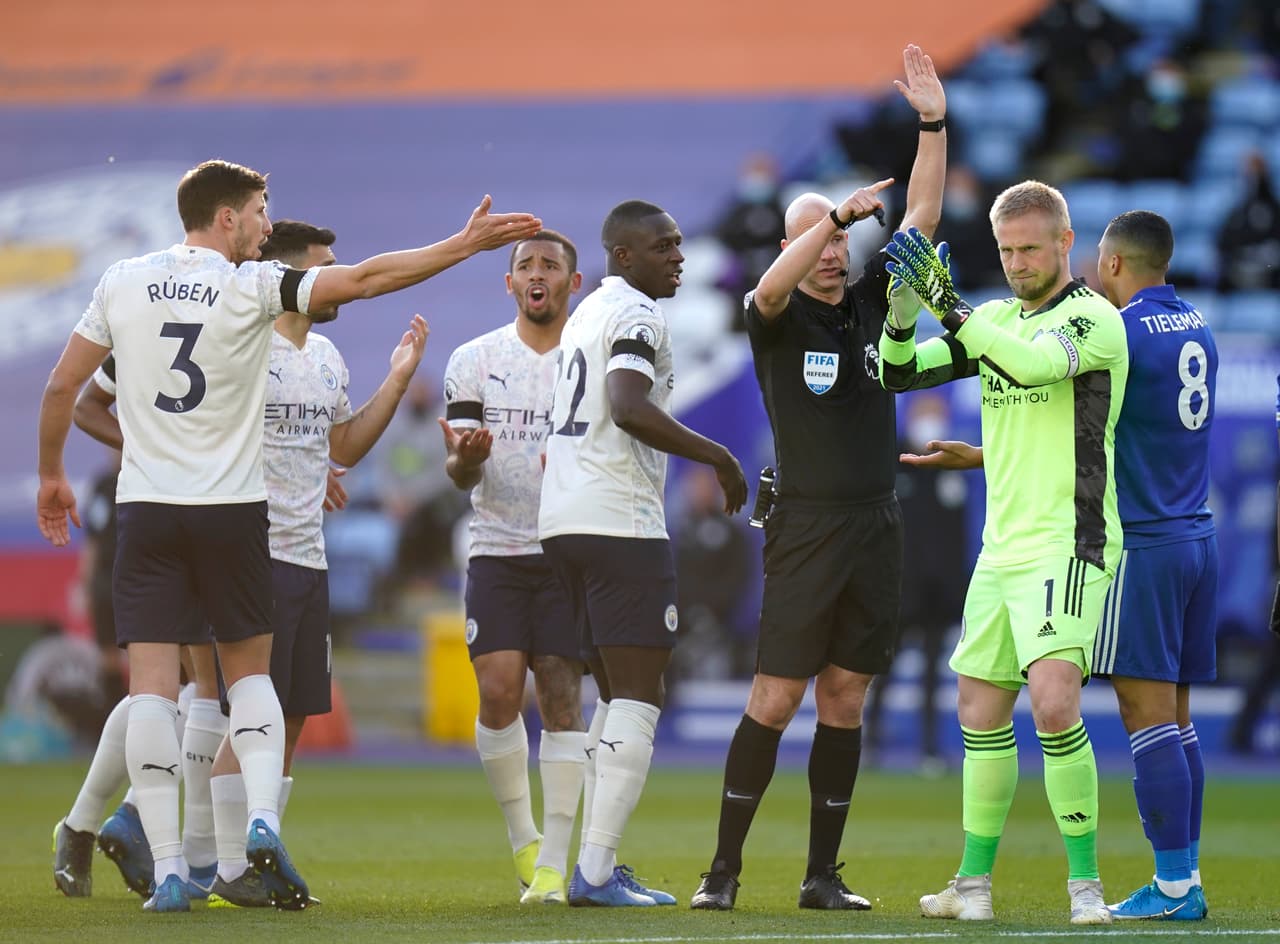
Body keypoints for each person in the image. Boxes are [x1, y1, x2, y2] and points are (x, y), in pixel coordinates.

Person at [35, 158, 539, 913]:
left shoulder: (123, 279)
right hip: (235, 515)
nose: (267, 223)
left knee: (160, 690)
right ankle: (231, 838)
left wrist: (54, 475)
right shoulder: (251, 292)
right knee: (235, 686)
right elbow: (367, 279)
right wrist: (461, 246)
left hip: (166, 512)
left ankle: (171, 866)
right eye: (261, 211)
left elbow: (61, 388)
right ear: (230, 218)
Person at [690, 43, 947, 913]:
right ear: (801, 242)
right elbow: (765, 288)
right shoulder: (776, 317)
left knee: (845, 697)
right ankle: (721, 869)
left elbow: (924, 212)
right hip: (803, 522)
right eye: (816, 238)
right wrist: (829, 220)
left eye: (838, 240)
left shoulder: (877, 301)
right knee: (776, 693)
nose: (832, 254)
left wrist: (932, 125)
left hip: (876, 521)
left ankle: (821, 875)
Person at [877, 180, 1128, 926]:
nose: (1018, 263)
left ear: (1065, 243)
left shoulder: (1093, 320)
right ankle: (973, 888)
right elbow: (897, 371)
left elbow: (1029, 366)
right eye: (1007, 250)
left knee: (1053, 706)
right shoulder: (990, 318)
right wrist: (901, 308)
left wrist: (947, 303)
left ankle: (1086, 889)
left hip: (1070, 539)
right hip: (1002, 548)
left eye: (1030, 248)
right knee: (980, 708)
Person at [538, 199, 747, 907]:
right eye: (664, 247)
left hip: (563, 518)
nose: (679, 257)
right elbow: (627, 405)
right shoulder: (634, 314)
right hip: (618, 521)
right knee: (638, 695)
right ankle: (595, 874)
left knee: (609, 695)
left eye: (681, 244)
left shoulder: (587, 312)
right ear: (623, 255)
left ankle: (594, 863)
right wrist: (717, 453)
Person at [438, 229, 587, 905]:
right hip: (498, 546)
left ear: (571, 284)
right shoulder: (474, 360)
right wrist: (468, 456)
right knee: (499, 691)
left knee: (560, 699)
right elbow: (456, 472)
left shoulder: (591, 361)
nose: (537, 274)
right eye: (525, 265)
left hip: (567, 551)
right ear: (509, 284)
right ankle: (525, 838)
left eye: (550, 266)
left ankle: (555, 865)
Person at [864, 391, 969, 773]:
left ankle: (929, 749)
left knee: (931, 677)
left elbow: (958, 537)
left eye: (937, 414)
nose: (932, 421)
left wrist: (957, 590)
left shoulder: (952, 469)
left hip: (938, 594)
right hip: (898, 589)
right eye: (926, 414)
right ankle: (870, 742)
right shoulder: (896, 465)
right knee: (883, 669)